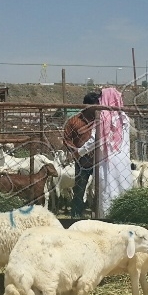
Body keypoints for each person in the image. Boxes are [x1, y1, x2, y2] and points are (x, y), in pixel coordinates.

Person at [96, 87, 133, 217]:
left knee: (108, 190)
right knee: (124, 188)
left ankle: (107, 219)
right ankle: (125, 217)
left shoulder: (102, 117)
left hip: (108, 161)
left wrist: (79, 151)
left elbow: (93, 140)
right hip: (123, 160)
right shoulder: (125, 119)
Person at [63, 91, 100, 219]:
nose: (97, 108)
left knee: (100, 189)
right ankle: (77, 215)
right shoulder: (74, 121)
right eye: (95, 106)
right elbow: (66, 139)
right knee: (79, 189)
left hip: (99, 161)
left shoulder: (101, 120)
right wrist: (76, 152)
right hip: (81, 161)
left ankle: (98, 214)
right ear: (86, 106)